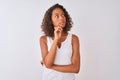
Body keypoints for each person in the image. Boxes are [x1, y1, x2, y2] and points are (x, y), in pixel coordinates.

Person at [39, 3, 80, 80]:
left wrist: (51, 66)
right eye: (57, 16)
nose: (61, 18)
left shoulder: (74, 39)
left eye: (63, 15)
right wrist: (56, 40)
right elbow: (48, 63)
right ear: (50, 21)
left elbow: (75, 68)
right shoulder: (43, 39)